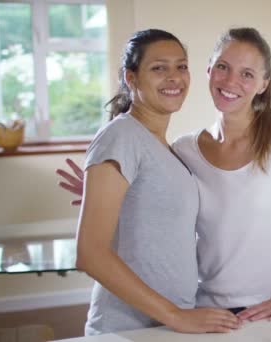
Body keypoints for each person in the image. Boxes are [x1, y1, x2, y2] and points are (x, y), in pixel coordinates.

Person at [58, 27, 271, 323]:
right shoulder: (184, 150)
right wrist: (108, 193)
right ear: (209, 70)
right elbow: (155, 207)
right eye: (223, 67)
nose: (231, 81)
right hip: (208, 310)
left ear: (263, 84)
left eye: (247, 74)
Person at [72, 28, 240, 335]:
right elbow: (90, 254)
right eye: (159, 68)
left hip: (165, 325)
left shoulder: (164, 147)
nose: (174, 77)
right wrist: (176, 315)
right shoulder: (122, 136)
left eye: (181, 66)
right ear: (131, 78)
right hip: (128, 330)